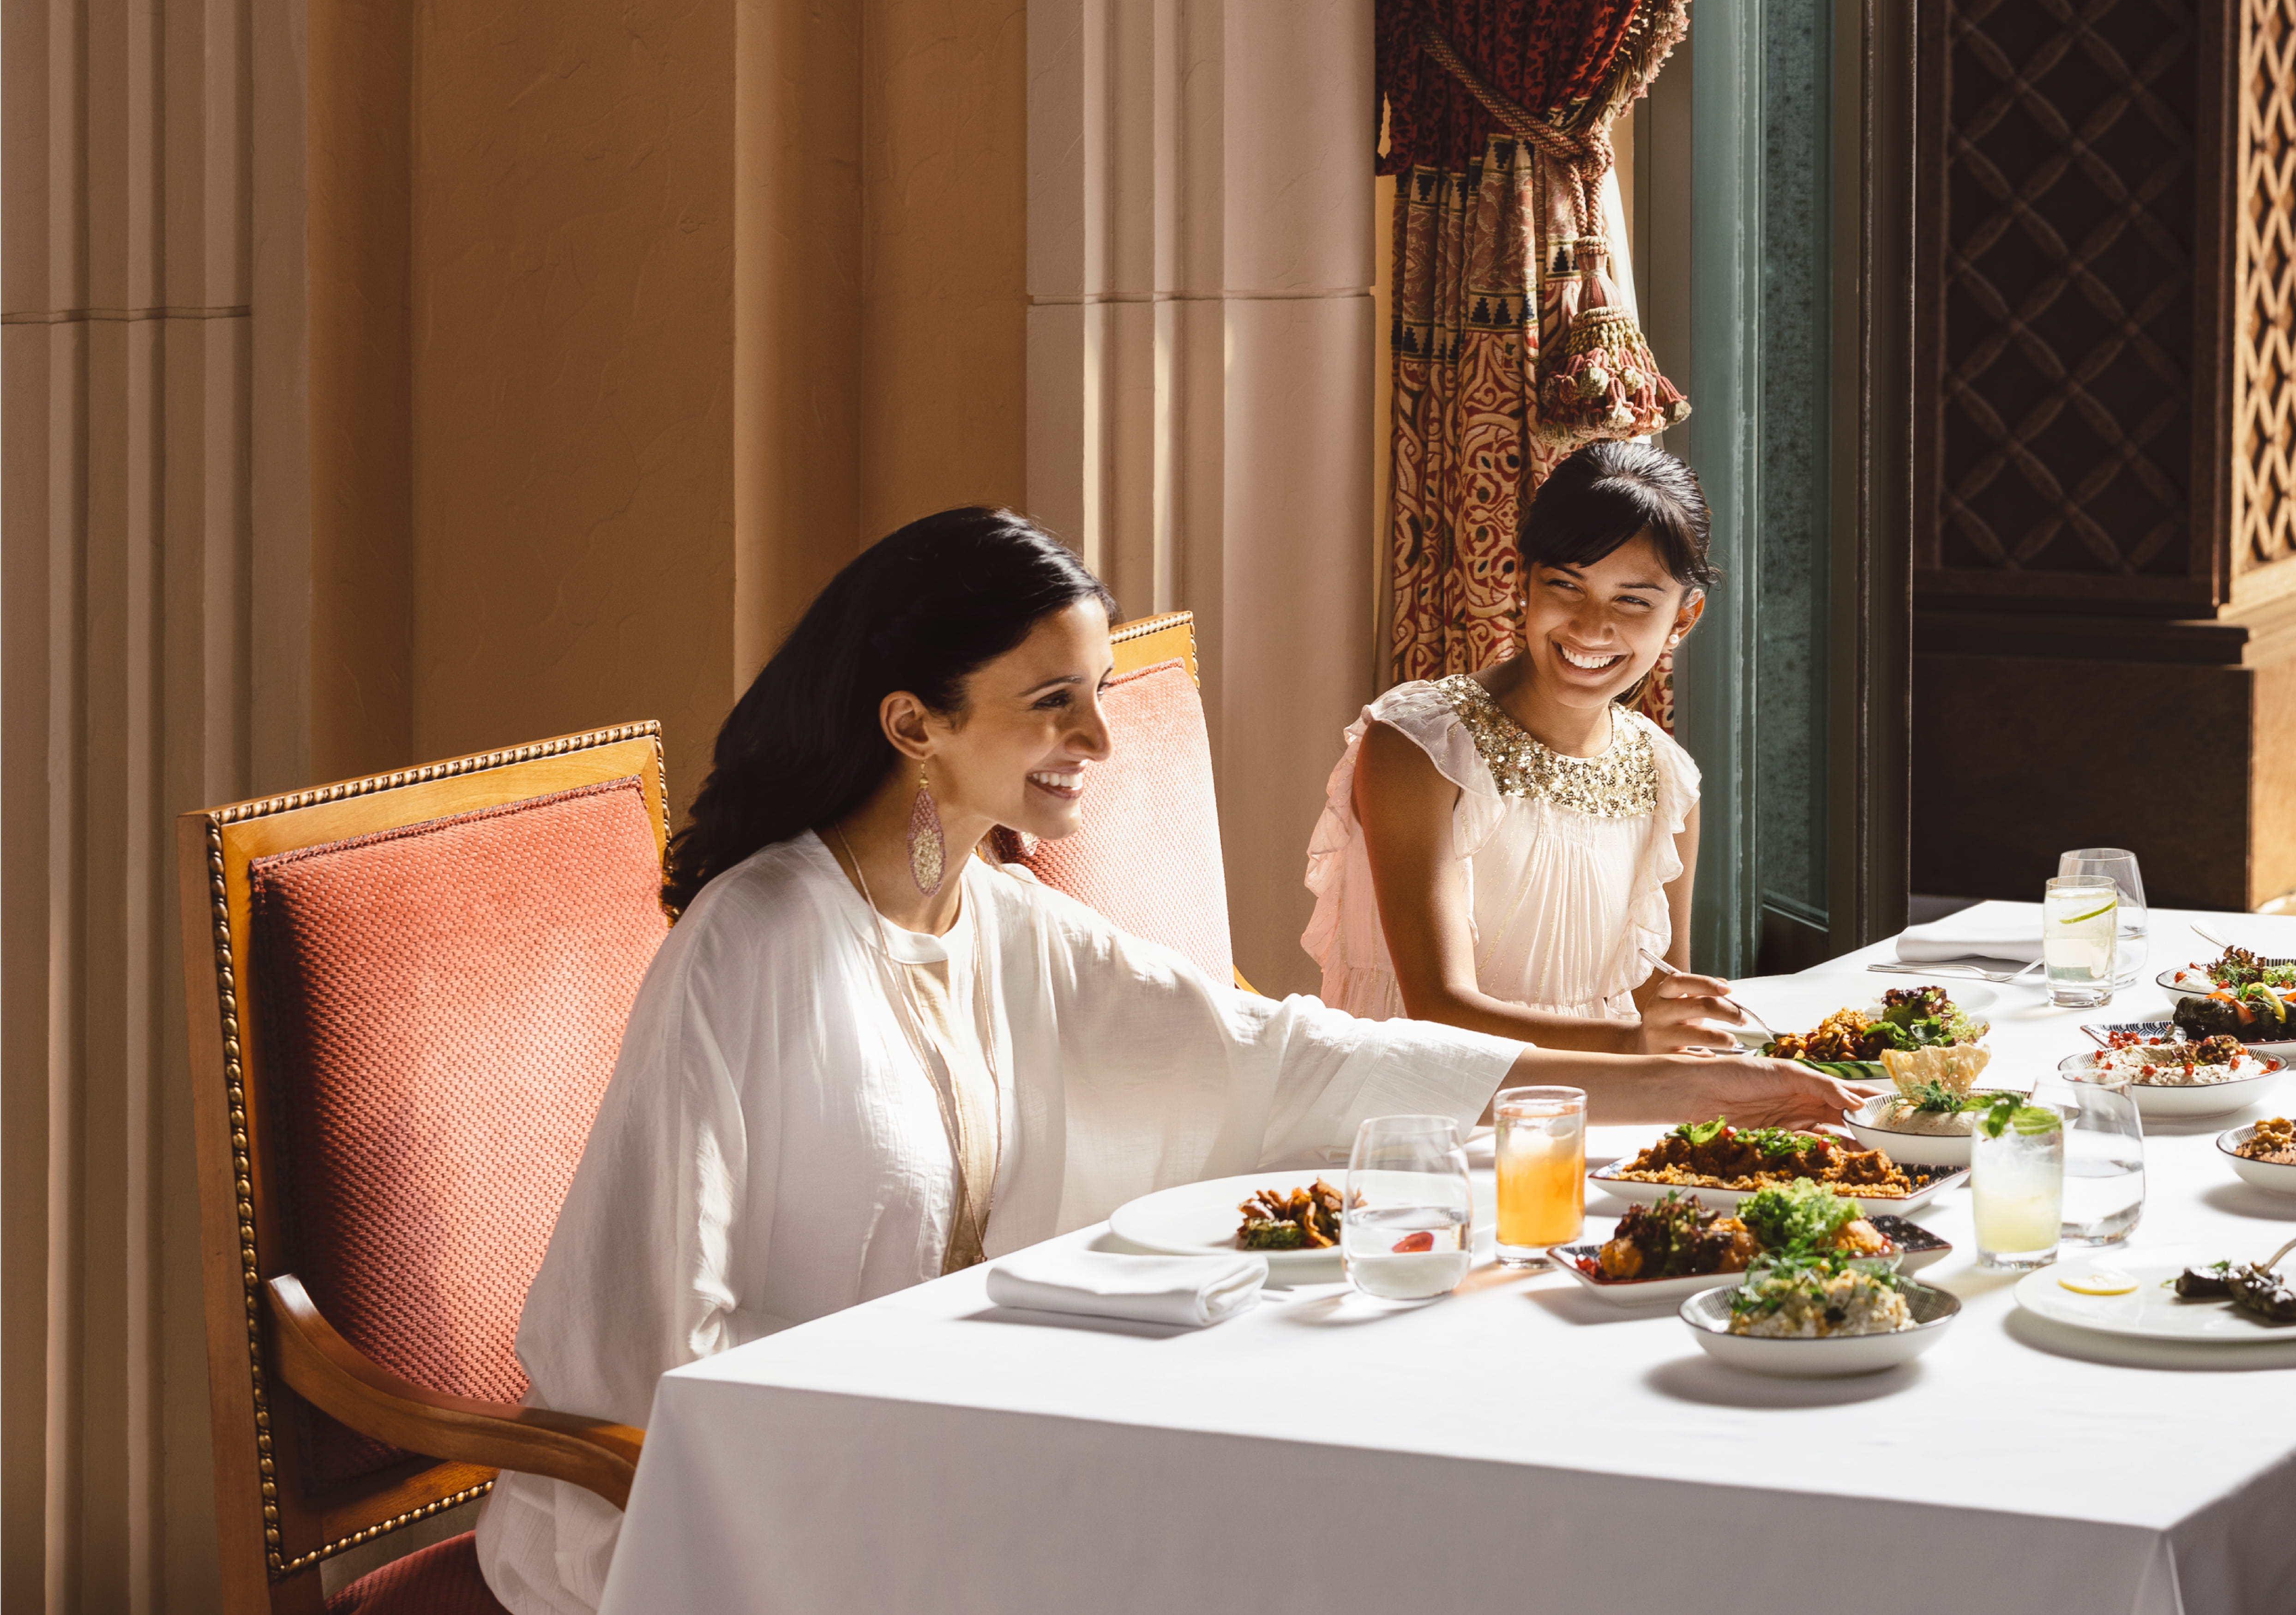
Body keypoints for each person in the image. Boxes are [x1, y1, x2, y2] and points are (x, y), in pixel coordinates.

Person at [482, 507, 1849, 1615]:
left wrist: (1655, 1092)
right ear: (914, 723)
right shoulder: (755, 941)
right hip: (738, 1508)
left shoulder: (1001, 919)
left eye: (1097, 696)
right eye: (1053, 703)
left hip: (947, 1444)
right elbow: (659, 1339)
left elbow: (1277, 1057)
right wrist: (908, 1461)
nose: (1095, 740)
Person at [1303, 441, 1748, 1049]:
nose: (1592, 627)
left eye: (1632, 600)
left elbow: (1662, 1000)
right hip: (1421, 1112)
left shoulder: (1667, 780)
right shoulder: (1421, 746)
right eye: (1567, 585)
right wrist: (1631, 1045)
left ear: (1684, 617)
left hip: (1604, 1105)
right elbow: (1437, 1011)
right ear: (1525, 583)